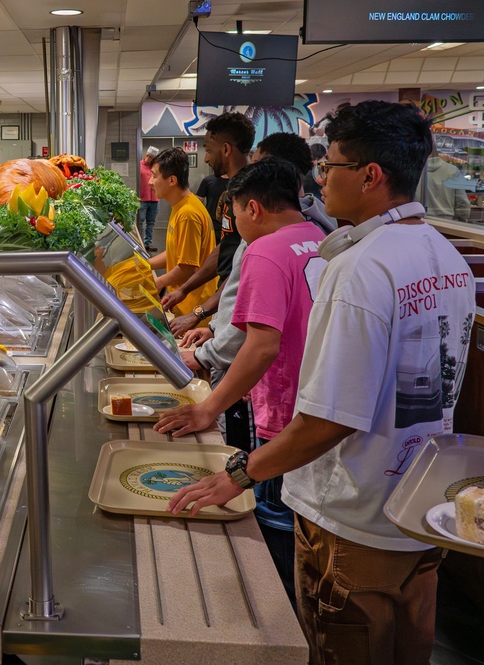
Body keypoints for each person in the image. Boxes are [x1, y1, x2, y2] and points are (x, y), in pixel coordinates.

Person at [167, 101, 476, 664]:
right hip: (417, 508)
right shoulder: (444, 255)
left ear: (370, 175)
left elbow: (330, 418)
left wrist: (238, 473)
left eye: (330, 165)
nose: (320, 177)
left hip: (353, 519)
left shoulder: (362, 268)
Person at [156, 157, 329, 608]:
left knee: (273, 518)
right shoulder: (320, 239)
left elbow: (260, 346)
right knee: (301, 527)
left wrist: (206, 408)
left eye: (233, 216)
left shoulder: (264, 250)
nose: (233, 228)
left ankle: (277, 623)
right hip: (316, 407)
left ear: (253, 208)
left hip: (278, 411)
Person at [163, 112, 255, 337]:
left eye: (208, 149)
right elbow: (225, 246)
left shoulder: (251, 194)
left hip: (239, 303)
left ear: (225, 149)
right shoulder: (231, 191)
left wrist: (198, 313)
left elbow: (244, 268)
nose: (205, 158)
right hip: (223, 300)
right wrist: (184, 290)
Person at [144, 148, 217, 321]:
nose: (150, 182)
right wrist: (144, 266)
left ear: (172, 180)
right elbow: (177, 252)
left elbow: (187, 267)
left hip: (194, 309)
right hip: (184, 305)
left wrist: (158, 282)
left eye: (154, 175)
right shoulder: (180, 206)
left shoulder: (187, 214)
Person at [254, 132, 337, 235]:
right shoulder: (325, 214)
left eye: (255, 168)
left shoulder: (271, 221)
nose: (248, 175)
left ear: (275, 171)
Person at [416, 142, 472, 222]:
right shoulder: (453, 171)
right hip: (447, 224)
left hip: (420, 222)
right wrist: (457, 224)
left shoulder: (413, 172)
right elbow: (463, 205)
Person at [138, 145, 161, 251]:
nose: (150, 160)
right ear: (146, 155)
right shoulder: (139, 166)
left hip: (154, 199)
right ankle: (139, 243)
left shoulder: (155, 168)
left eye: (153, 158)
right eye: (150, 157)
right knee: (140, 221)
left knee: (151, 223)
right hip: (142, 198)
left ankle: (148, 243)